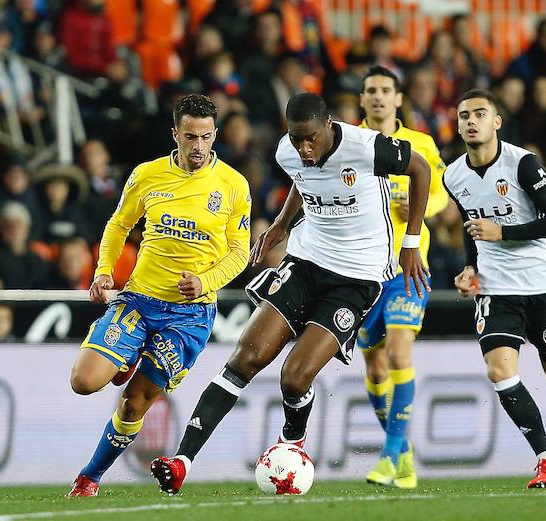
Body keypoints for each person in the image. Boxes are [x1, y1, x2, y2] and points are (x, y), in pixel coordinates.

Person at [150, 93, 431, 495]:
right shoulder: (289, 151)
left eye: (311, 139)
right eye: (297, 139)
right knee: (246, 357)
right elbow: (304, 178)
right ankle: (182, 462)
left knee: (294, 377)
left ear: (329, 126)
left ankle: (292, 442)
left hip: (357, 277)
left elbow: (420, 169)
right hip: (306, 261)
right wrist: (283, 223)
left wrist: (411, 241)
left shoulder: (366, 147)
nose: (303, 148)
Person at [66, 94, 251, 497]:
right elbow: (118, 225)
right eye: (190, 137)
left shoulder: (234, 186)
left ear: (215, 134)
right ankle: (125, 356)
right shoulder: (147, 175)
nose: (198, 146)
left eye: (205, 137)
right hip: (140, 299)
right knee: (83, 382)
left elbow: (240, 251)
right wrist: (102, 272)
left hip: (191, 314)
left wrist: (206, 282)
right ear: (175, 135)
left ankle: (89, 478)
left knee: (134, 405)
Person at [446, 89, 546, 489]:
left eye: (480, 114)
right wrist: (469, 267)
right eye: (464, 116)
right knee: (500, 370)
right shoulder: (453, 175)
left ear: (496, 122)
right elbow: (472, 228)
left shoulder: (523, 164)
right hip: (496, 288)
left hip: (543, 284)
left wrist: (503, 232)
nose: (471, 121)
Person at [356, 65, 448, 488]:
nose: (377, 97)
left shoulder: (421, 145)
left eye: (385, 91)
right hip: (360, 274)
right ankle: (404, 450)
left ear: (398, 99)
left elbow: (442, 195)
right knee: (375, 371)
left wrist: (416, 206)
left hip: (409, 267)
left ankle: (390, 456)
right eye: (371, 90)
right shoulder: (348, 141)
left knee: (398, 353)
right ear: (362, 100)